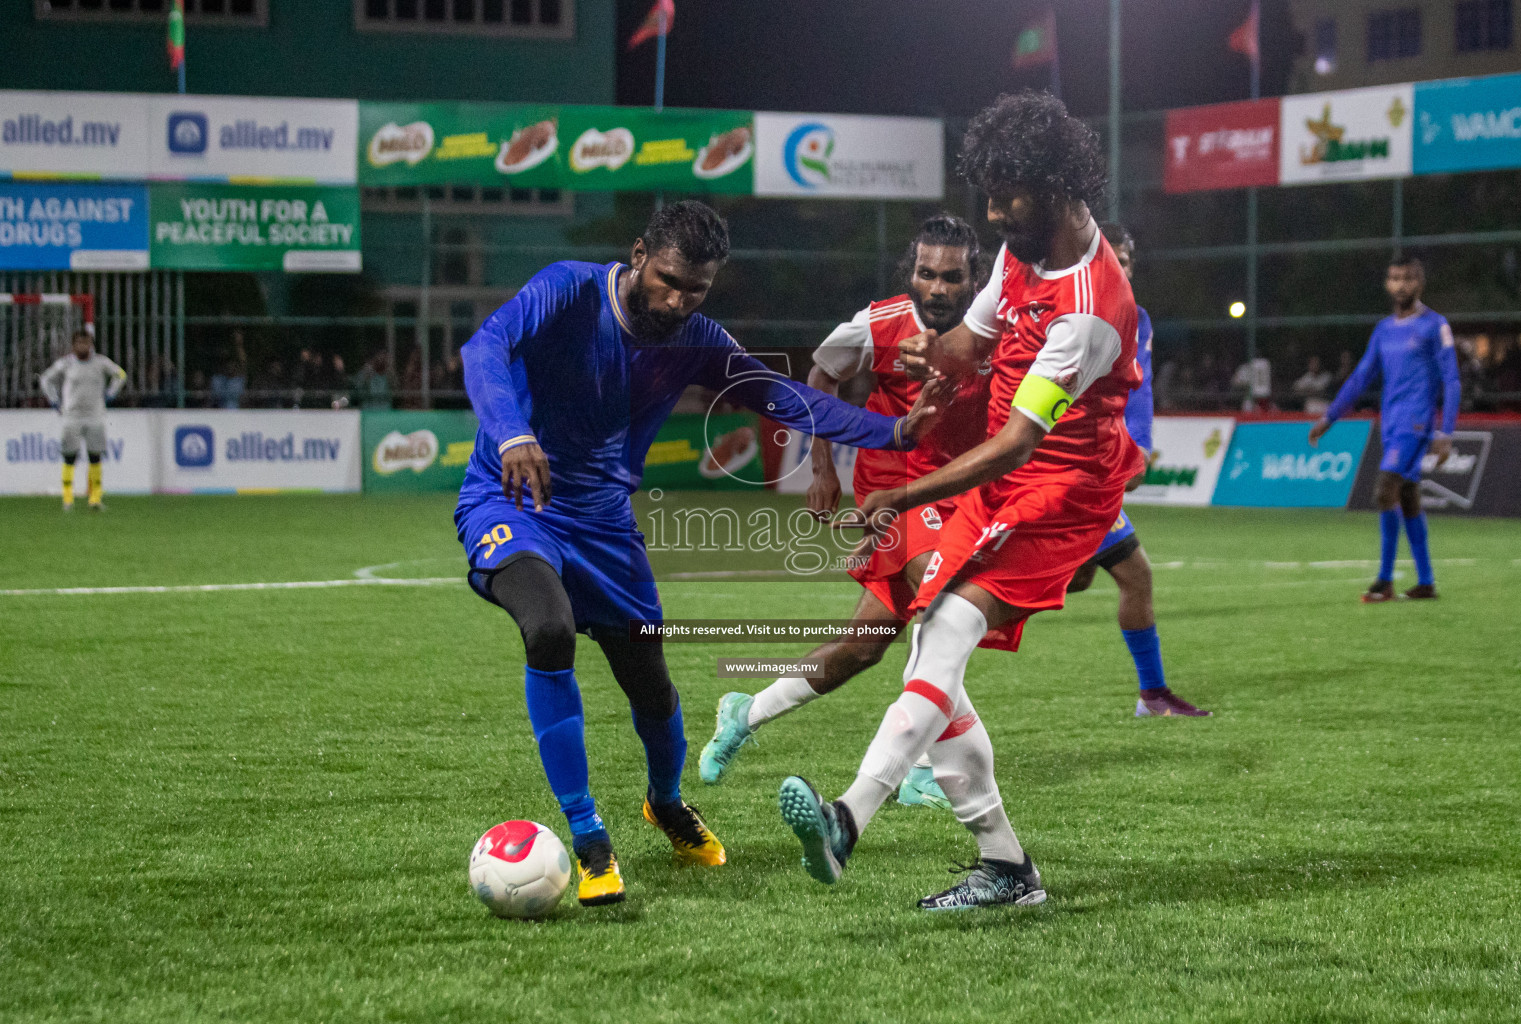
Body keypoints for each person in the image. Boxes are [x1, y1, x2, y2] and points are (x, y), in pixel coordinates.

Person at [456, 200, 944, 908]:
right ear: (638, 254)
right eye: (668, 280)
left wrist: (892, 432)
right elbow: (484, 348)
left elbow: (781, 396)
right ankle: (588, 833)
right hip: (512, 497)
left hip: (605, 526)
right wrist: (509, 433)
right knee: (549, 628)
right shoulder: (568, 289)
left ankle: (665, 801)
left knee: (651, 686)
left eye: (696, 289)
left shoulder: (698, 338)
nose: (677, 300)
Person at [776, 91, 1145, 910]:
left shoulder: (1088, 309)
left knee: (940, 631)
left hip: (1060, 489)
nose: (990, 209)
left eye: (1004, 192)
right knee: (930, 661)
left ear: (1049, 185)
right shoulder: (1023, 249)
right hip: (1003, 481)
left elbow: (1018, 441)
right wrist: (923, 356)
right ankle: (1006, 868)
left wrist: (900, 489)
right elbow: (968, 344)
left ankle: (848, 819)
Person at [698, 213, 992, 808]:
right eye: (925, 273)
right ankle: (920, 766)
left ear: (973, 279)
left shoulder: (994, 328)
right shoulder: (876, 325)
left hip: (960, 492)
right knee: (946, 604)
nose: (936, 287)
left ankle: (744, 712)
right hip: (897, 486)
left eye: (951, 277)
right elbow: (821, 376)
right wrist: (823, 468)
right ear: (910, 273)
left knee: (862, 646)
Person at [1065, 224, 1209, 718]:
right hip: (1065, 468)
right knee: (1132, 575)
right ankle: (955, 624)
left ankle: (1153, 695)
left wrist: (1140, 445)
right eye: (1114, 259)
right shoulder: (1074, 313)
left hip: (1097, 468)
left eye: (1127, 261)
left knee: (1091, 579)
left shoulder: (1138, 318)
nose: (1121, 269)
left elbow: (1139, 389)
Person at [1309, 256, 1460, 602]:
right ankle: (1425, 582)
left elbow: (1451, 380)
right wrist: (1329, 417)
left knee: (1383, 491)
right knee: (1406, 496)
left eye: (1407, 278)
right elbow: (1361, 377)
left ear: (1419, 283)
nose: (1400, 285)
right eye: (1394, 278)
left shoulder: (1435, 326)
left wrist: (1446, 432)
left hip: (1416, 421)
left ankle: (1385, 579)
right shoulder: (1384, 330)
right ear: (1387, 284)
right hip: (1391, 422)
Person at [38, 330, 126, 511]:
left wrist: (110, 394)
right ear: (73, 345)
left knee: (95, 456)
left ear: (91, 344)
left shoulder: (101, 362)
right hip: (72, 415)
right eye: (79, 343)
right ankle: (68, 498)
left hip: (95, 415)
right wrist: (54, 401)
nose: (83, 346)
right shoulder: (66, 363)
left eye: (86, 343)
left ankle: (95, 499)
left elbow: (120, 375)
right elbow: (46, 379)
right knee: (69, 456)